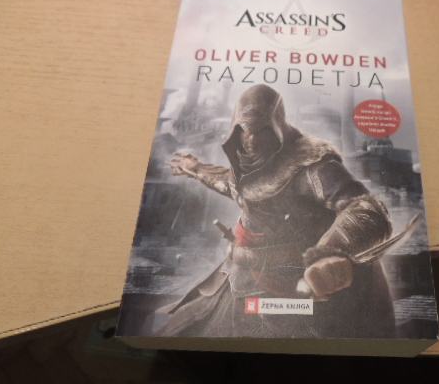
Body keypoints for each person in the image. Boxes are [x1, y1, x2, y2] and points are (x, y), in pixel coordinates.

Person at [161, 84, 395, 338]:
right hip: (244, 277)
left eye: (261, 130)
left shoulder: (312, 166)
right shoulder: (246, 164)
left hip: (302, 288)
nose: (251, 139)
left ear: (277, 127)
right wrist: (196, 169)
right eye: (244, 129)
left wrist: (328, 254)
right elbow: (234, 186)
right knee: (186, 330)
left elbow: (363, 207)